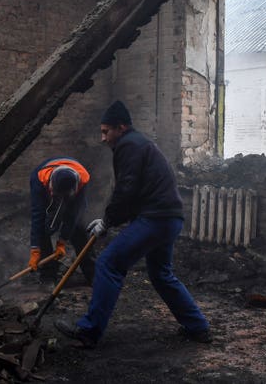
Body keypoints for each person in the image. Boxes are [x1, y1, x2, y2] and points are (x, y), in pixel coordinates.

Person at [54, 100, 211, 348]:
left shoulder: (128, 146)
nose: (103, 138)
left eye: (106, 131)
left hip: (156, 218)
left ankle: (89, 330)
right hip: (170, 218)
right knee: (161, 274)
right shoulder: (139, 144)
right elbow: (135, 193)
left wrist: (107, 222)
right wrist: (108, 219)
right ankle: (198, 327)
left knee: (108, 262)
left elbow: (126, 191)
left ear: (121, 127)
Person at [28, 157, 95, 285]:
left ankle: (93, 274)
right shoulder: (38, 179)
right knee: (43, 227)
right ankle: (48, 275)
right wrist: (35, 249)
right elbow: (37, 216)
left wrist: (62, 242)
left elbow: (73, 215)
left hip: (72, 196)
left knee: (79, 229)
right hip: (47, 194)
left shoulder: (82, 179)